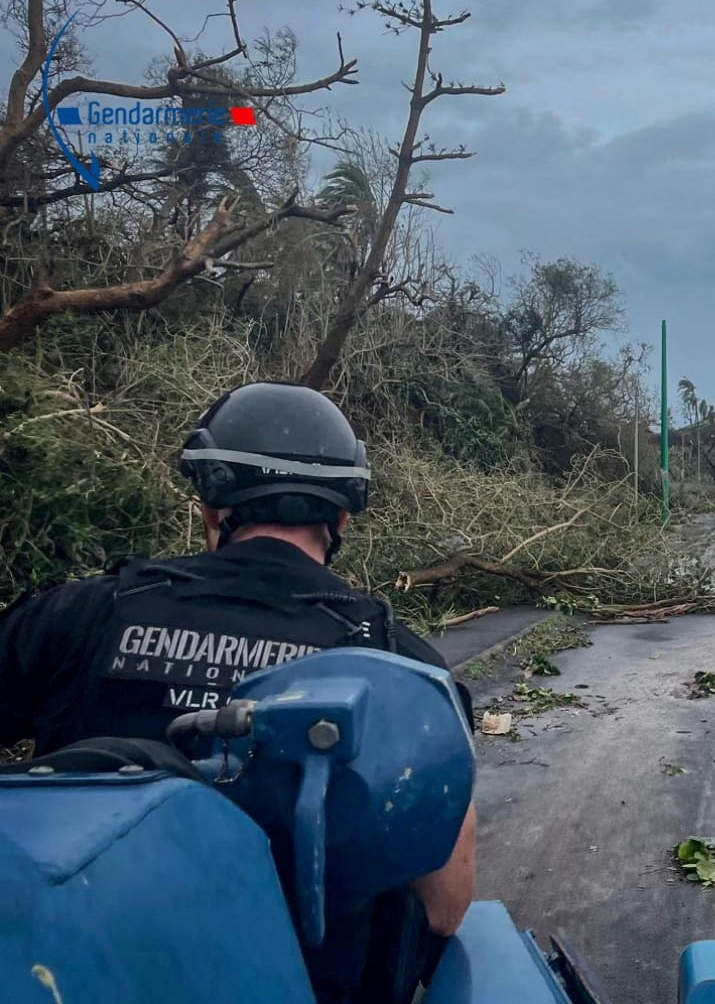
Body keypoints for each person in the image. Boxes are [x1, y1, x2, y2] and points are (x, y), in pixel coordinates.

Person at [0, 380, 477, 1002]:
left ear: (211, 506)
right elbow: (445, 906)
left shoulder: (76, 617)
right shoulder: (398, 664)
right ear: (341, 517)